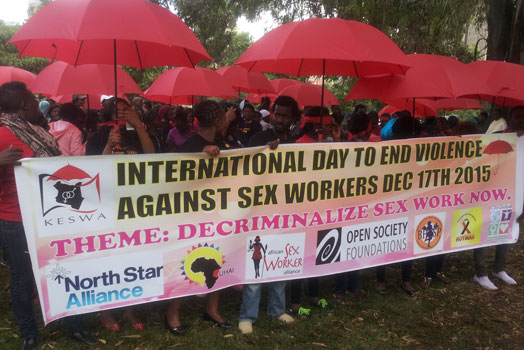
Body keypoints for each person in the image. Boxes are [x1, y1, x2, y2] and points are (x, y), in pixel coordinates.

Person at [0, 82, 98, 349]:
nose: (38, 105)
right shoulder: (3, 134)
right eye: (33, 101)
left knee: (66, 270)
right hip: (16, 220)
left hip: (53, 215)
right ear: (24, 104)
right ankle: (29, 332)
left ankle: (74, 325)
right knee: (24, 278)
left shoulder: (37, 133)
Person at [165, 101, 237, 336]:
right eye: (224, 116)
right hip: (192, 217)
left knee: (218, 259)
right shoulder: (192, 144)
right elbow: (177, 170)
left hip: (218, 213)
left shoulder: (223, 140)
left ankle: (212, 310)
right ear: (217, 120)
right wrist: (199, 154)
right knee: (184, 262)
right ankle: (173, 314)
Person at [86, 97, 154, 331]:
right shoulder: (96, 136)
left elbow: (153, 158)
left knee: (132, 259)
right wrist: (107, 146)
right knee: (108, 259)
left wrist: (140, 127)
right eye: (116, 111)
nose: (121, 114)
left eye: (126, 110)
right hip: (107, 207)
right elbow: (90, 171)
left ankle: (129, 308)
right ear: (107, 114)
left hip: (134, 206)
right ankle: (105, 311)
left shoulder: (138, 135)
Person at [239, 95, 301, 335]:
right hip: (260, 212)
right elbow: (244, 169)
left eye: (286, 115)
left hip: (287, 211)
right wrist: (266, 152)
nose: (280, 119)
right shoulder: (258, 138)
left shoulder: (298, 143)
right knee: (255, 265)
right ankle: (247, 315)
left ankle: (277, 310)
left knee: (282, 260)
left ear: (294, 118)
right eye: (277, 114)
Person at [473, 105, 523, 290]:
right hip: (491, 192)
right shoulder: (497, 136)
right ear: (510, 118)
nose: (521, 119)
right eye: (517, 116)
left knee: (507, 227)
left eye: (523, 116)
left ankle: (499, 269)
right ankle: (480, 272)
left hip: (513, 194)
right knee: (483, 227)